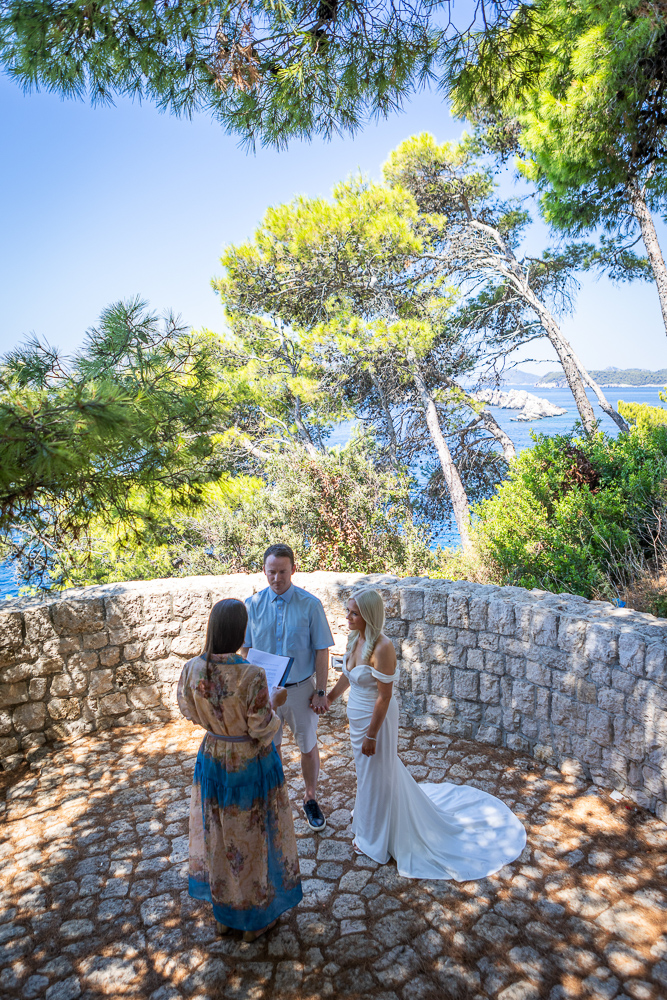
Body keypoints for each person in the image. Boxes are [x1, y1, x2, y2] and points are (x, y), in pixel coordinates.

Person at [325, 588, 527, 880]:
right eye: (348, 611)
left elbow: (384, 697)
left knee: (377, 769)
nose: (347, 617)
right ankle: (372, 819)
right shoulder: (355, 638)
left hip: (376, 720)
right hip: (356, 715)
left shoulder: (383, 648)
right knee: (367, 771)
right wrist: (330, 698)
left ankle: (374, 838)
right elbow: (347, 674)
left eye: (353, 613)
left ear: (368, 615)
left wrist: (371, 735)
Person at [177, 598, 302, 941]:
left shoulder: (192, 668)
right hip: (249, 762)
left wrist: (217, 720)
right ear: (240, 630)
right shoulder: (252, 675)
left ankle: (225, 914)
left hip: (214, 756)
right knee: (253, 836)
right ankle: (255, 919)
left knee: (219, 834)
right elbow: (262, 728)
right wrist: (274, 703)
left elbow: (187, 710)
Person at [242, 544, 334, 832]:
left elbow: (321, 651)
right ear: (264, 571)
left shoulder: (310, 605)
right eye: (271, 572)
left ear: (293, 569)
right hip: (264, 690)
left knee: (307, 745)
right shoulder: (251, 605)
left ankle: (310, 798)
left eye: (282, 571)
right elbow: (245, 649)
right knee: (271, 747)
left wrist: (321, 691)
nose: (276, 578)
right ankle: (276, 799)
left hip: (299, 690)